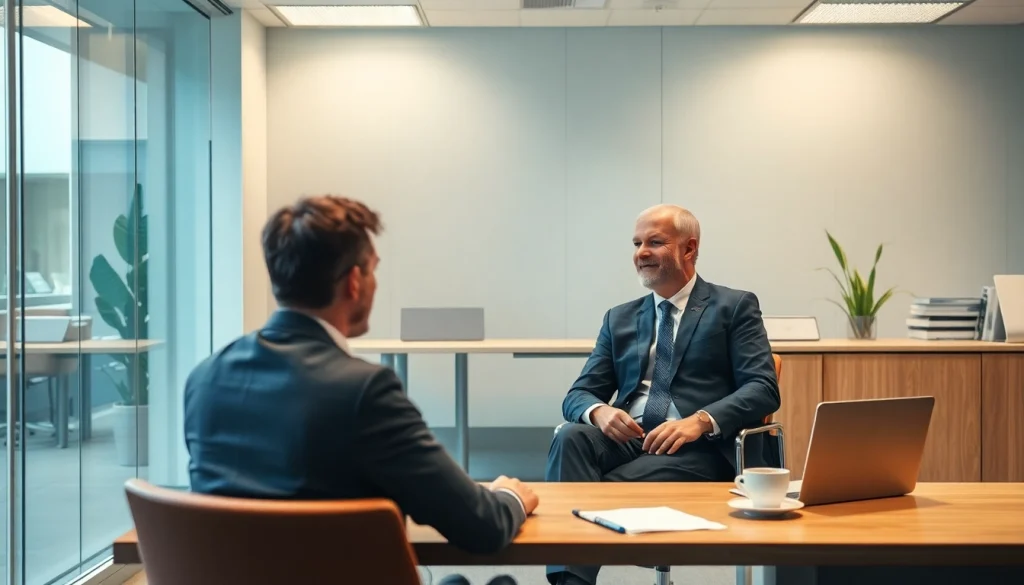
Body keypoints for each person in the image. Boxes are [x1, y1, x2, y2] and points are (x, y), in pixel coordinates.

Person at [183, 195, 538, 566]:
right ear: (355, 281)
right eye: (372, 269)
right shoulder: (364, 392)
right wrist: (508, 496)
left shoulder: (204, 379)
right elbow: (481, 526)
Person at [545, 204, 781, 585]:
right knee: (571, 437)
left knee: (579, 492)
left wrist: (700, 421)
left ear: (689, 249)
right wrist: (599, 413)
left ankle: (573, 567)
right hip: (632, 437)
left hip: (701, 448)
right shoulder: (619, 317)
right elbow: (580, 393)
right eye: (637, 243)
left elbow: (763, 388)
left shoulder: (733, 306)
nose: (641, 252)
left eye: (655, 242)